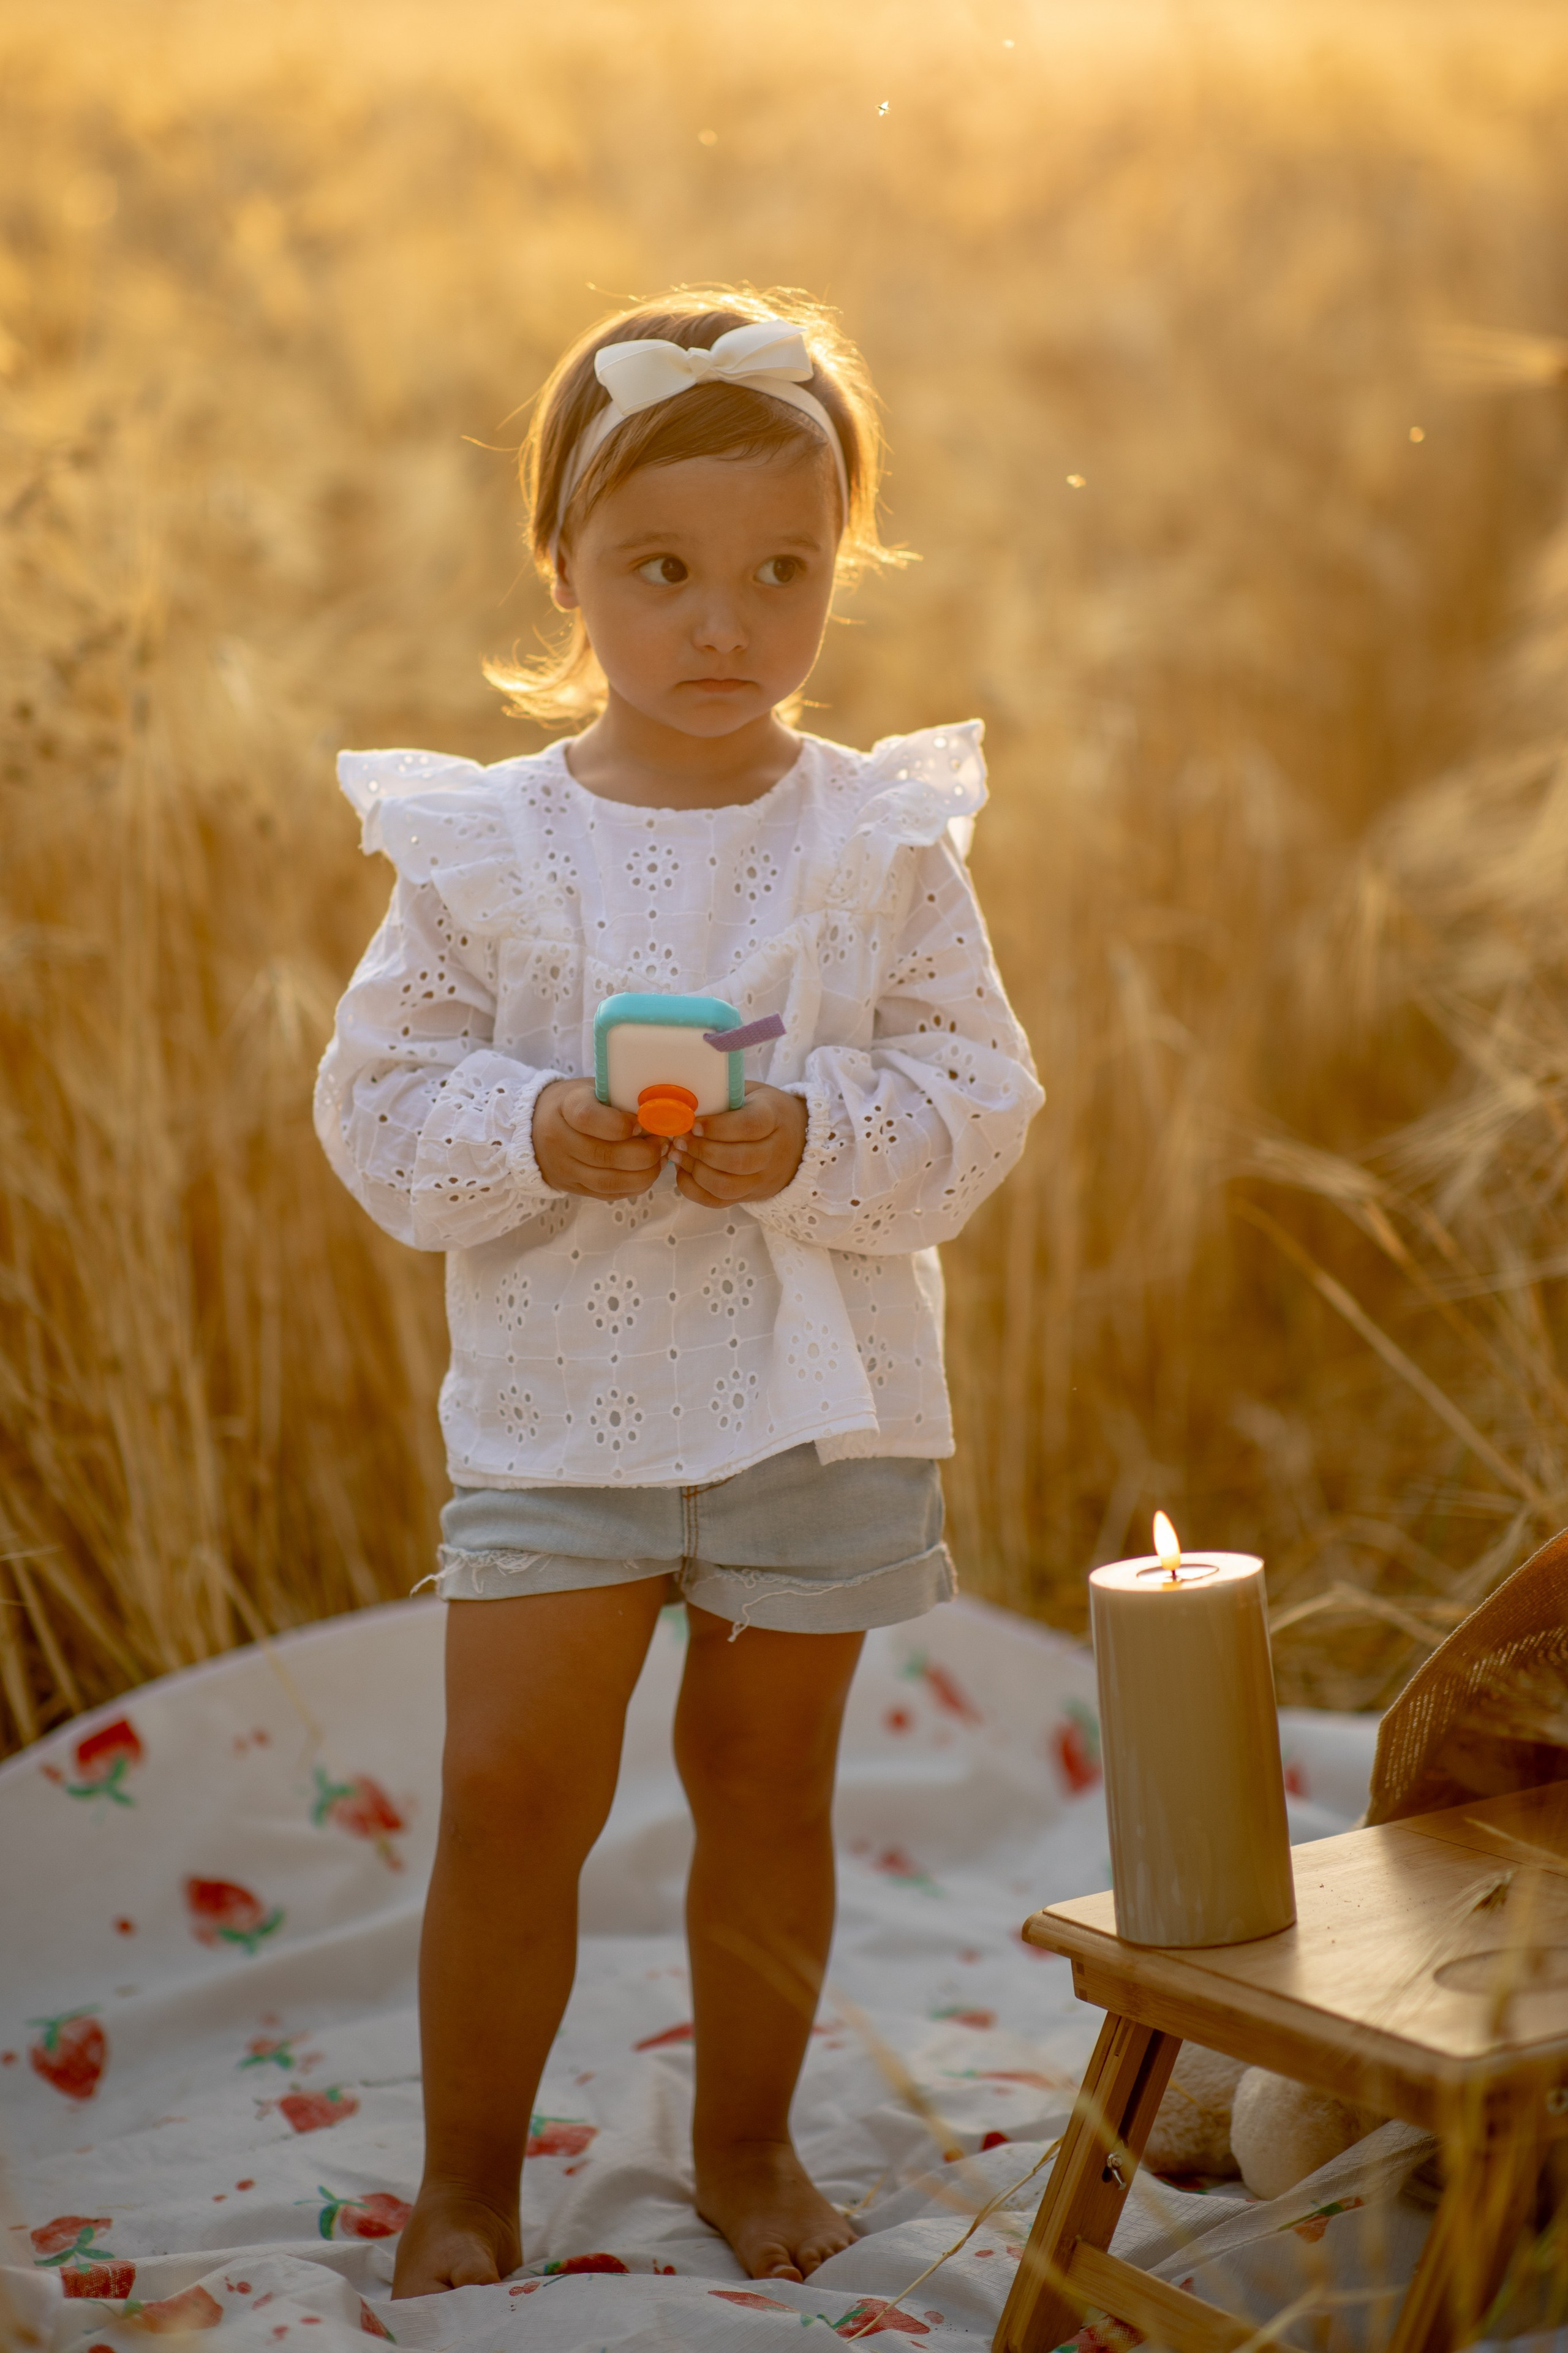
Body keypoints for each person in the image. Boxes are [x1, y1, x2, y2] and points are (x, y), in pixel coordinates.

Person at [314, 287, 1043, 2298]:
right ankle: (469, 2172)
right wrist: (528, 1122)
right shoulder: (491, 845)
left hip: (815, 1396)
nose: (725, 626)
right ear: (562, 564)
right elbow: (377, 1103)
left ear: (835, 573)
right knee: (509, 1787)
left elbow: (980, 1093)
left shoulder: (882, 839)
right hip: (568, 1402)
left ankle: (746, 2138)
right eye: (663, 571)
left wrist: (810, 1136)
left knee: (766, 1786)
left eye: (782, 573)